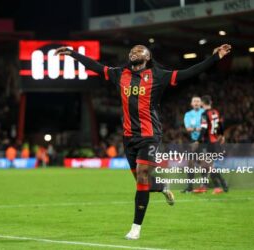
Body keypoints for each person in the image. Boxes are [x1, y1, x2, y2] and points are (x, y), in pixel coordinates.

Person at [55, 43, 231, 239]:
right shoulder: (119, 74)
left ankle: (135, 228)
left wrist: (215, 58)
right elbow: (95, 66)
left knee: (142, 178)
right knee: (143, 182)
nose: (134, 52)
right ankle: (162, 187)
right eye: (132, 50)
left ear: (148, 56)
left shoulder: (158, 75)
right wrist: (73, 54)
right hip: (129, 137)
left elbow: (189, 72)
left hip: (150, 136)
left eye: (139, 50)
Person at [195, 95, 228, 194]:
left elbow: (204, 128)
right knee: (204, 164)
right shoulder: (215, 112)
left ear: (203, 103)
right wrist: (222, 135)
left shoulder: (204, 114)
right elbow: (220, 125)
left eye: (200, 102)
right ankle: (206, 186)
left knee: (207, 165)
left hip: (208, 143)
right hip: (215, 142)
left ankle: (219, 185)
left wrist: (198, 141)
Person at [182, 96, 205, 193]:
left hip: (204, 140)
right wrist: (198, 128)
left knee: (203, 163)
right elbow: (188, 129)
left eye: (198, 101)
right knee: (190, 163)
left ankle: (204, 185)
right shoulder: (188, 114)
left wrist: (196, 128)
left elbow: (205, 128)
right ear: (191, 104)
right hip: (193, 141)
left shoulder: (204, 113)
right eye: (194, 101)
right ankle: (190, 186)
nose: (196, 103)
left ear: (201, 103)